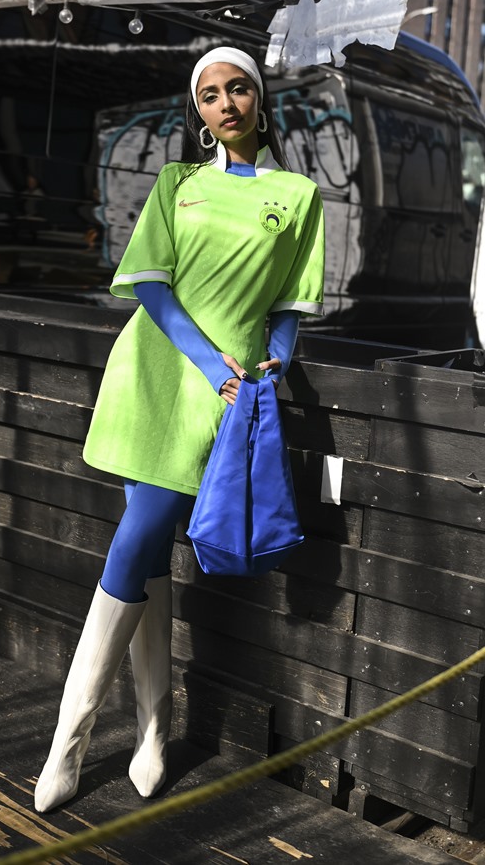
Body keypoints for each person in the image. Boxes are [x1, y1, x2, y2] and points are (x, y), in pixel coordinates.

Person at [34, 45, 325, 814]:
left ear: (259, 101)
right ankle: (142, 734)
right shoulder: (176, 183)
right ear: (196, 112)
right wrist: (208, 363)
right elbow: (153, 289)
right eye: (207, 95)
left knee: (141, 539)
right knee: (145, 543)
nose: (223, 104)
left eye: (236, 90)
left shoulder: (297, 195)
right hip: (160, 372)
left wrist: (274, 363)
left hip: (228, 393)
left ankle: (84, 740)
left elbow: (290, 304)